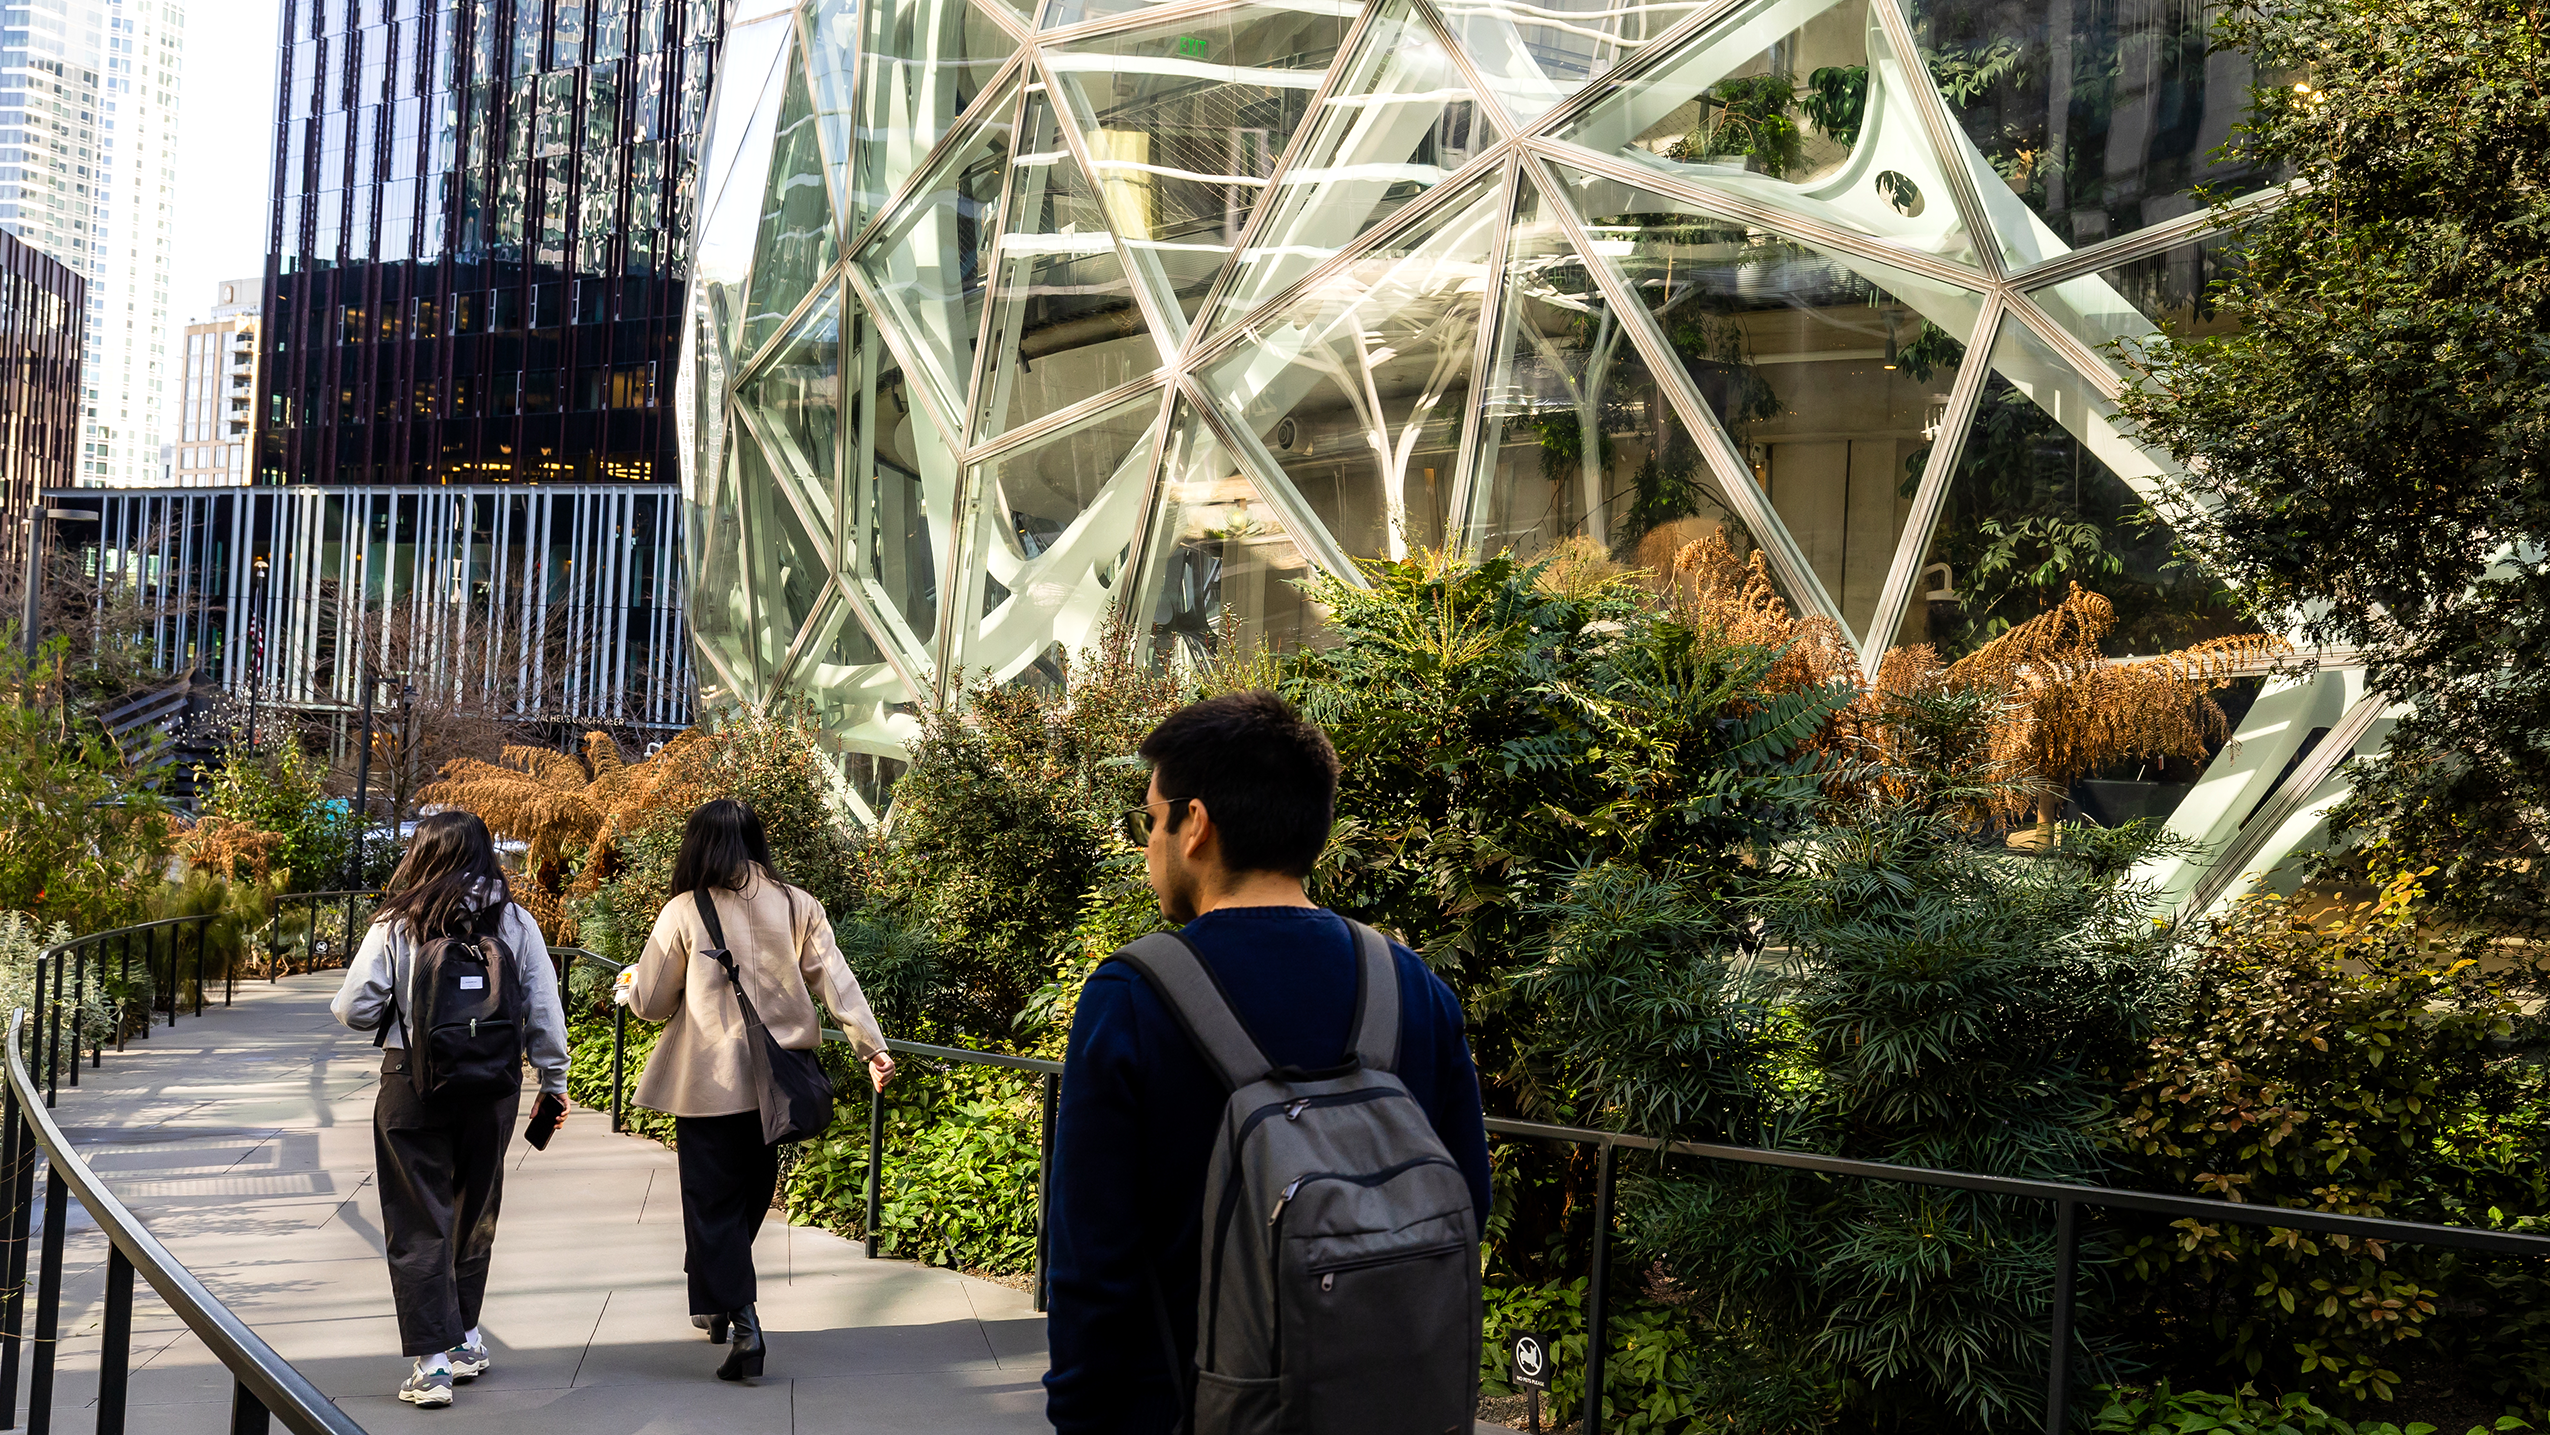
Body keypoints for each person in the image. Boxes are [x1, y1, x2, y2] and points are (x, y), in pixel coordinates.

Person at [1042, 690, 1495, 1434]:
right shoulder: (1413, 987)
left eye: (1149, 819)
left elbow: (1092, 1269)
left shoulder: (1131, 997)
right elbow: (1464, 1207)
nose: (1146, 842)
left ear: (1196, 826)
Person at [618, 798, 897, 1381]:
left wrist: (631, 988)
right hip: (779, 1084)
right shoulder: (798, 904)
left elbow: (650, 1003)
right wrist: (872, 1047)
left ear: (697, 845)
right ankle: (720, 1300)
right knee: (747, 1201)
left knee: (711, 1204)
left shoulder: (683, 911)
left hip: (708, 1085)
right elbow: (836, 982)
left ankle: (743, 1322)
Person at [331, 811, 572, 1410]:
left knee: (417, 1217)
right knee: (475, 1207)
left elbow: (354, 1008)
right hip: (492, 1087)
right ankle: (464, 1338)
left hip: (412, 1083)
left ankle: (433, 1364)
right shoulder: (515, 920)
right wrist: (553, 1078)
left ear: (423, 855)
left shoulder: (398, 919)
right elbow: (543, 1005)